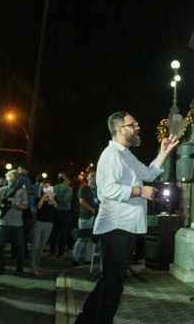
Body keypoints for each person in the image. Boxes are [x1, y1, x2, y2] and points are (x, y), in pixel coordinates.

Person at [75, 112, 178, 324]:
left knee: (109, 281)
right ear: (119, 129)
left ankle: (85, 320)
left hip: (125, 227)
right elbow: (107, 190)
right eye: (133, 124)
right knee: (113, 283)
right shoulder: (111, 155)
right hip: (115, 227)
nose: (137, 127)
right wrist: (140, 192)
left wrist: (164, 152)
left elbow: (149, 173)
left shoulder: (126, 155)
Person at [0, 170, 28, 276]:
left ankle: (19, 269)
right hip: (2, 222)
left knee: (19, 247)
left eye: (15, 179)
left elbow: (25, 206)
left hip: (17, 223)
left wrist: (16, 204)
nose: (13, 181)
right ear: (7, 179)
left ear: (18, 180)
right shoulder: (1, 190)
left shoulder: (21, 191)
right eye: (11, 179)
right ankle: (0, 268)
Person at [72, 170, 98, 266]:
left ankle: (88, 260)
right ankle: (75, 259)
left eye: (95, 176)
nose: (94, 177)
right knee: (82, 238)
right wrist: (92, 209)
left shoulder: (99, 189)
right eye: (92, 176)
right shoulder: (84, 188)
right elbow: (81, 201)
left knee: (91, 239)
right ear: (87, 177)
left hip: (95, 218)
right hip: (85, 217)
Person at [31, 180, 57, 276]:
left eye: (49, 187)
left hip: (49, 224)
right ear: (42, 188)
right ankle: (33, 266)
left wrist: (51, 197)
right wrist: (44, 196)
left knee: (42, 246)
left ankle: (37, 265)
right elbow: (38, 207)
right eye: (45, 187)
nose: (47, 188)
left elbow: (55, 206)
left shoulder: (52, 198)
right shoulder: (38, 198)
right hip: (39, 223)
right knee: (35, 246)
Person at [49, 173, 74, 259]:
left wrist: (55, 197)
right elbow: (51, 198)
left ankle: (60, 252)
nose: (61, 178)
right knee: (54, 232)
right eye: (60, 177)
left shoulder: (69, 189)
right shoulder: (55, 187)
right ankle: (52, 251)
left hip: (64, 212)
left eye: (63, 177)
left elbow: (65, 200)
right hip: (55, 211)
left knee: (62, 233)